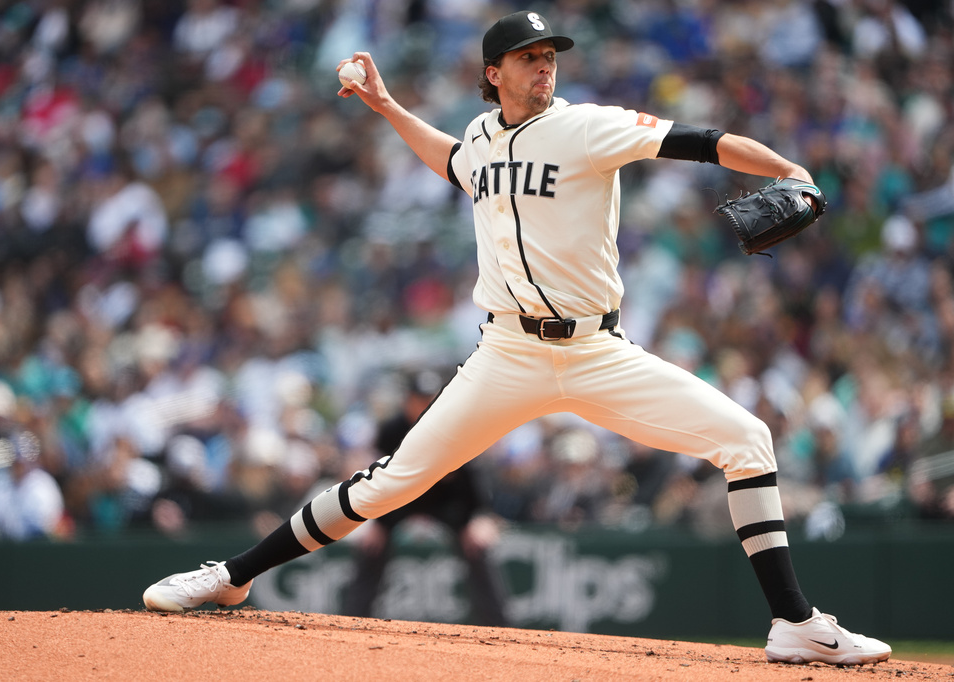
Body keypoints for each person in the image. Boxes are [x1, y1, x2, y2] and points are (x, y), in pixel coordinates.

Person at [142, 10, 891, 666]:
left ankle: (794, 624)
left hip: (598, 353)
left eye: (551, 55)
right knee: (389, 483)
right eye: (531, 57)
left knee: (748, 439)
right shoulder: (478, 136)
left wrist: (789, 167)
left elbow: (705, 141)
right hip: (507, 353)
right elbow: (453, 161)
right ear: (493, 73)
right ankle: (232, 575)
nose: (545, 65)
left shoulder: (586, 124)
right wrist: (387, 105)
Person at [341, 369, 507, 626]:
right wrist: (377, 522)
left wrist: (478, 516)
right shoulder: (391, 430)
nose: (425, 405)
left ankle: (500, 627)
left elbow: (471, 478)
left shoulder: (456, 426)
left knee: (477, 545)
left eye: (431, 398)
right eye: (420, 399)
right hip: (400, 503)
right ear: (407, 400)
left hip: (447, 503)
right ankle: (352, 619)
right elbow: (379, 481)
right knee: (372, 543)